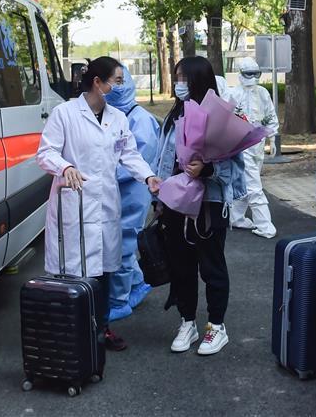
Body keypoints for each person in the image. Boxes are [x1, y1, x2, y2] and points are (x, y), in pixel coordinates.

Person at [36, 56, 162, 352]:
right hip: (74, 205)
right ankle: (73, 332)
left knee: (104, 272)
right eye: (116, 81)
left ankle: (102, 329)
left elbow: (129, 155)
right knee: (75, 274)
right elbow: (45, 152)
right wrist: (65, 167)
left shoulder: (117, 118)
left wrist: (148, 177)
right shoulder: (64, 113)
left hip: (105, 207)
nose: (120, 86)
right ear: (97, 82)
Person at [152, 57, 246, 356]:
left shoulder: (220, 116)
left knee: (211, 267)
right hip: (176, 204)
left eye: (183, 78)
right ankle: (187, 321)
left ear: (197, 80)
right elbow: (161, 159)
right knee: (181, 267)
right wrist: (158, 197)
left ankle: (216, 327)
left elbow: (234, 170)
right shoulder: (173, 116)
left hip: (209, 205)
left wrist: (206, 170)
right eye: (176, 77)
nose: (178, 83)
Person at [103, 64, 161, 322]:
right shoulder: (115, 116)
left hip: (133, 190)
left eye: (118, 82)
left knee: (123, 245)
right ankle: (137, 284)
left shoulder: (141, 120)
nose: (113, 89)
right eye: (110, 82)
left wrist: (103, 173)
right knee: (120, 242)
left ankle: (119, 301)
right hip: (117, 190)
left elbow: (138, 161)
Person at [227, 57, 280, 237]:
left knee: (247, 181)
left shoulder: (263, 93)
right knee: (254, 186)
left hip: (258, 143)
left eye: (255, 74)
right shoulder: (232, 94)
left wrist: (272, 139)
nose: (252, 78)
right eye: (248, 74)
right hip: (241, 144)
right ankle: (266, 226)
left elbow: (271, 117)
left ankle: (237, 217)